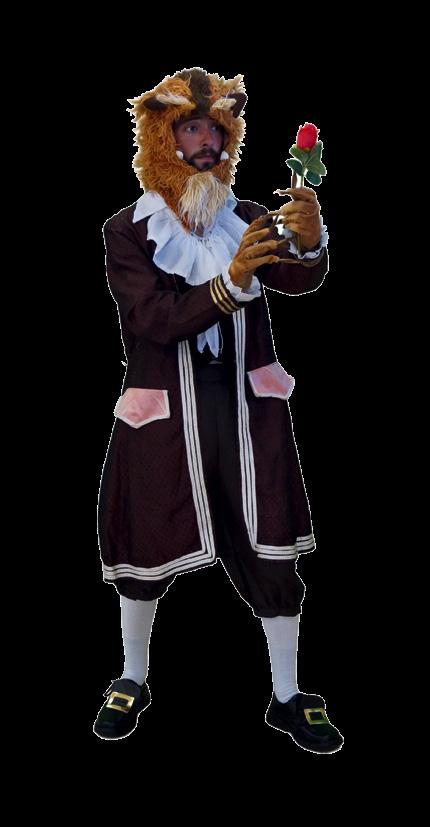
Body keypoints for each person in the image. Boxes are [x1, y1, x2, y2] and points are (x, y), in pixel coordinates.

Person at [94, 67, 343, 753]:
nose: (208, 142)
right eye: (192, 128)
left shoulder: (249, 217)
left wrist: (311, 239)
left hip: (246, 411)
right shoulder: (127, 231)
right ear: (164, 139)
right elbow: (151, 318)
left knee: (270, 545)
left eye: (216, 129)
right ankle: (131, 676)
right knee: (145, 541)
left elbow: (296, 277)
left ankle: (288, 695)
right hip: (164, 414)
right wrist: (229, 283)